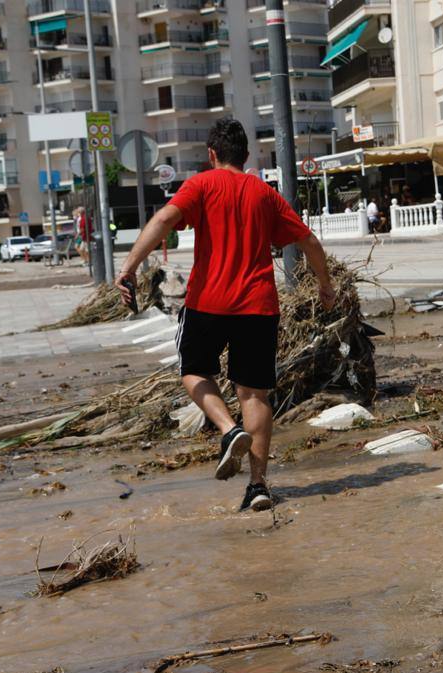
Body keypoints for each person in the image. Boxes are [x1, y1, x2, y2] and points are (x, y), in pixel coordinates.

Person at [115, 118, 335, 512]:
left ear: (212, 154)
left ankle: (227, 427)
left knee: (194, 370)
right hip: (258, 305)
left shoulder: (200, 184)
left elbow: (165, 219)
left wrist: (130, 267)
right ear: (246, 155)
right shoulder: (263, 194)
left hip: (207, 303)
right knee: (254, 392)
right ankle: (258, 486)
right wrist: (325, 284)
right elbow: (308, 240)